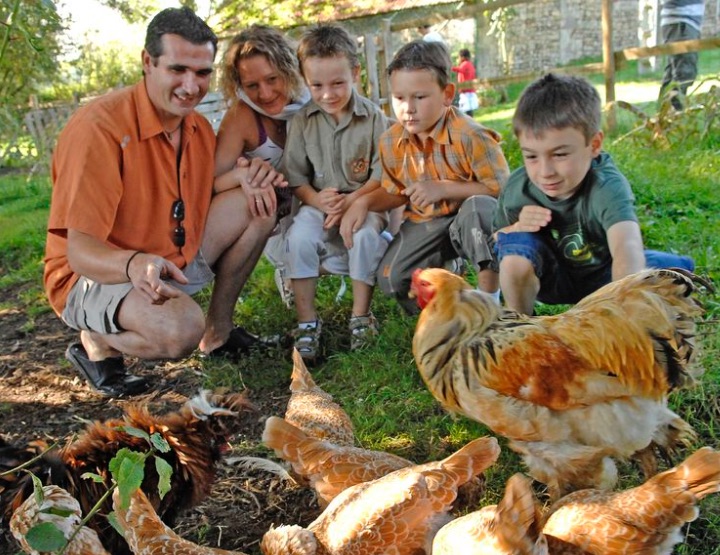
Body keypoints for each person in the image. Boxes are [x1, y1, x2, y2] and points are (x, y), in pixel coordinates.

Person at [43, 7, 285, 397]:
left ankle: (218, 334)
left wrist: (244, 178)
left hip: (165, 256)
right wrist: (134, 262)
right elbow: (80, 253)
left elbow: (197, 194)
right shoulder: (99, 129)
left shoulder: (198, 128)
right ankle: (96, 341)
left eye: (202, 73)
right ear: (147, 62)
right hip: (93, 275)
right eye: (177, 70)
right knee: (179, 330)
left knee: (260, 203)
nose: (191, 86)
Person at [493, 73, 695, 315]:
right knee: (514, 252)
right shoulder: (519, 187)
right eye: (531, 156)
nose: (545, 172)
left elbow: (626, 245)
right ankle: (519, 327)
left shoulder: (606, 185)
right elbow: (496, 237)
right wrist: (518, 227)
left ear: (595, 145)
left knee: (668, 273)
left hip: (604, 276)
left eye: (560, 155)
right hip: (551, 277)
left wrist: (622, 313)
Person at [341, 40, 510, 315]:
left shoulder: (471, 136)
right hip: (426, 221)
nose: (408, 108)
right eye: (399, 98)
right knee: (392, 280)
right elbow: (396, 192)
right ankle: (451, 312)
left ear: (447, 94)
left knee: (479, 211)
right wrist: (364, 202)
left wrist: (443, 188)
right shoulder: (390, 141)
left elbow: (501, 189)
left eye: (419, 97)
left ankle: (491, 303)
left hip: (469, 218)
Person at [281, 23, 391, 360]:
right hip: (320, 204)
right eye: (317, 85)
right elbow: (296, 176)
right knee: (299, 237)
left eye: (338, 83)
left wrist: (354, 202)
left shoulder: (373, 118)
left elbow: (382, 176)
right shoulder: (302, 121)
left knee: (365, 237)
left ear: (355, 73)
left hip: (365, 203)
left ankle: (360, 316)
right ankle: (307, 322)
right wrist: (315, 199)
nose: (328, 94)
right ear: (304, 79)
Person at [216, 25, 311, 309]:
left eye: (273, 79)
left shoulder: (314, 98)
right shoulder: (240, 117)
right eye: (252, 86)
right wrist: (241, 174)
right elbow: (210, 182)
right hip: (274, 215)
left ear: (289, 70)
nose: (266, 93)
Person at [659, 0, 705, 109]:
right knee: (684, 73)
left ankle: (664, 118)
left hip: (683, 21)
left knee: (675, 73)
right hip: (681, 20)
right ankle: (673, 117)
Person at [452, 48, 479, 117]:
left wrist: (450, 67)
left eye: (459, 57)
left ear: (462, 57)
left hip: (466, 90)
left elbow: (460, 69)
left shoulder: (465, 64)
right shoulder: (470, 64)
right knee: (468, 109)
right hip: (469, 90)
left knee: (465, 108)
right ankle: (470, 122)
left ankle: (467, 123)